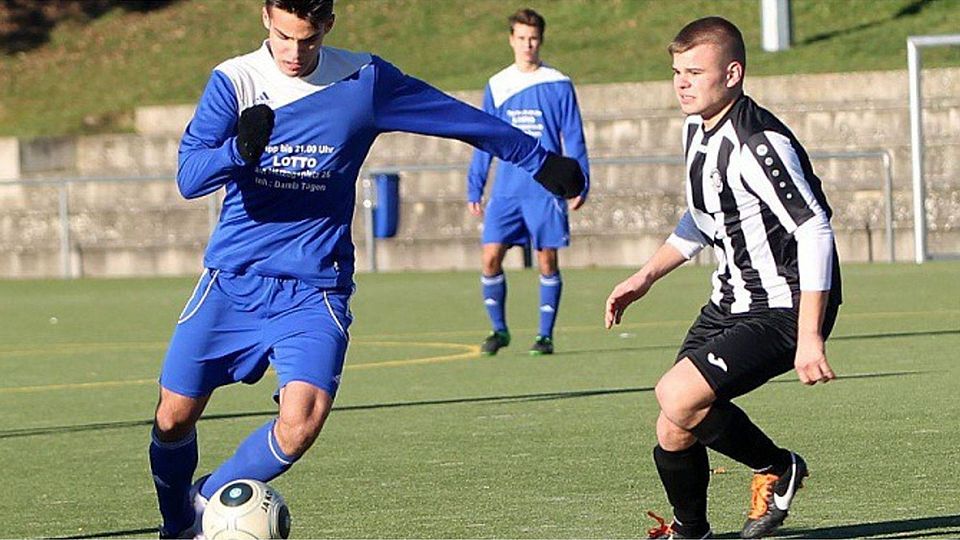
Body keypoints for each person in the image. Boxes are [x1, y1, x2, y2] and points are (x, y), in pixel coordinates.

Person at [148, 0, 585, 537]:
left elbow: (457, 117)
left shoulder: (363, 78)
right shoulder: (234, 81)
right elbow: (190, 177)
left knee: (300, 423)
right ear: (265, 17)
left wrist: (539, 160)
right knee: (172, 419)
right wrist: (237, 149)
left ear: (327, 26)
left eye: (307, 39)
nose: (293, 51)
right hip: (234, 278)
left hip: (316, 285)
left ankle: (210, 502)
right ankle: (176, 525)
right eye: (283, 36)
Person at [603, 17, 842, 540]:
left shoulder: (759, 143)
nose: (681, 83)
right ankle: (692, 533)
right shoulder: (698, 127)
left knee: (678, 395)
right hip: (729, 300)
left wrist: (809, 335)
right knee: (674, 422)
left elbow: (815, 229)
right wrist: (646, 276)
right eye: (676, 71)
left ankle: (777, 466)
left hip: (783, 305)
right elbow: (704, 219)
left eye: (694, 71)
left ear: (732, 74)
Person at [466, 8, 590, 356]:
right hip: (506, 189)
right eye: (521, 38)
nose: (528, 45)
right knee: (490, 257)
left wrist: (580, 183)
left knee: (546, 260)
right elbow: (483, 137)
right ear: (511, 40)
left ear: (541, 41)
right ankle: (499, 330)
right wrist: (475, 183)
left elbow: (574, 136)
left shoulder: (558, 83)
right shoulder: (497, 84)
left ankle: (544, 336)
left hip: (545, 188)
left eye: (533, 39)